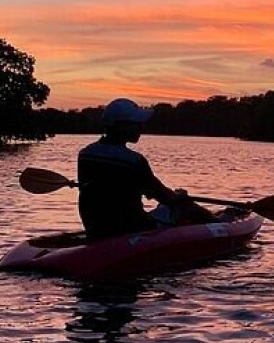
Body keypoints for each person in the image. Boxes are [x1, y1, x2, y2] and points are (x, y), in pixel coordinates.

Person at [77, 98, 212, 240]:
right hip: (133, 229)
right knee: (185, 206)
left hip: (96, 228)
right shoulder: (134, 161)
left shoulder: (85, 154)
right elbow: (165, 197)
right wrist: (181, 198)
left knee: (166, 207)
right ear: (121, 126)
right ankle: (221, 225)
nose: (141, 127)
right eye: (136, 123)